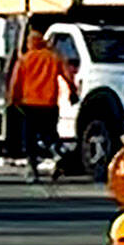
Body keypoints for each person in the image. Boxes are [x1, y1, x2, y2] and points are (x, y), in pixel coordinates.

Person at [7, 28, 78, 182]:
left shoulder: (25, 59)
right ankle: (57, 154)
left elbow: (15, 82)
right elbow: (67, 75)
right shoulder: (54, 58)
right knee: (50, 135)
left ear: (31, 43)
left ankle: (33, 171)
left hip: (29, 104)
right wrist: (73, 92)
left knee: (30, 139)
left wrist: (13, 100)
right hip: (50, 103)